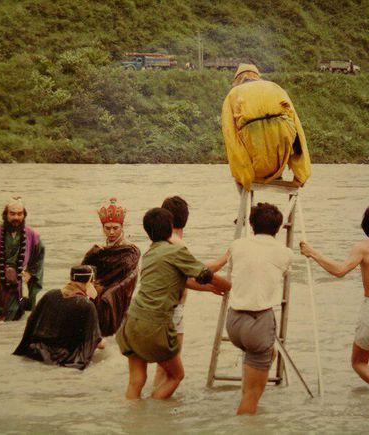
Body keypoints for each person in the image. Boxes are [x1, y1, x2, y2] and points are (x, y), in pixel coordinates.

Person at [116, 207, 231, 400]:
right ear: (170, 228)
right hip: (154, 325)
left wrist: (209, 289)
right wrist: (230, 286)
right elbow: (205, 274)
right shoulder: (176, 251)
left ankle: (134, 421)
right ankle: (155, 415)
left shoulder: (150, 254)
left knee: (137, 380)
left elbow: (178, 279)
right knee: (176, 376)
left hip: (131, 321)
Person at [300, 204, 369, 394]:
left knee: (358, 362)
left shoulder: (363, 248)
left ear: (365, 225)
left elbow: (339, 271)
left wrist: (313, 253)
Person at [153, 195, 229, 388]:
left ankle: (154, 408)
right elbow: (198, 273)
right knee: (172, 371)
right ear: (185, 219)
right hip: (173, 311)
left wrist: (209, 287)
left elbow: (183, 278)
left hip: (157, 308)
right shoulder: (177, 243)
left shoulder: (161, 241)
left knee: (163, 368)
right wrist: (225, 260)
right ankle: (160, 406)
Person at [226, 202, 294, 414]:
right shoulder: (285, 253)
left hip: (234, 322)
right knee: (252, 395)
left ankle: (248, 395)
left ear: (252, 224)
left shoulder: (237, 245)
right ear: (279, 227)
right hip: (258, 322)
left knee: (267, 354)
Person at [221, 63, 311, 191]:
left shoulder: (233, 94)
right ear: (258, 77)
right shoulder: (275, 87)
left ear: (237, 80)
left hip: (255, 158)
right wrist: (301, 174)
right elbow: (298, 132)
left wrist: (244, 177)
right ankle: (279, 174)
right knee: (288, 129)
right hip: (281, 156)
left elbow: (231, 138)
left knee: (241, 177)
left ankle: (249, 186)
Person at [13, 265, 104, 370]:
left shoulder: (49, 295)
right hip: (60, 359)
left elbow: (31, 323)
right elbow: (94, 341)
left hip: (34, 352)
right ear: (89, 282)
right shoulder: (86, 305)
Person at [0, 196, 45, 321]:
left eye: (19, 214)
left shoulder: (32, 235)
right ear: (5, 214)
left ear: (24, 215)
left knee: (15, 318)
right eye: (12, 214)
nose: (16, 218)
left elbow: (39, 258)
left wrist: (30, 273)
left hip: (18, 282)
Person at [81, 198, 140, 336]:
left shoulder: (130, 250)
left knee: (102, 299)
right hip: (98, 286)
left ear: (122, 227)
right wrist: (92, 254)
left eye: (115, 228)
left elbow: (126, 276)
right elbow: (84, 269)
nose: (111, 232)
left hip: (116, 290)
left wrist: (101, 288)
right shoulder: (99, 249)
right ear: (103, 228)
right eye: (107, 228)